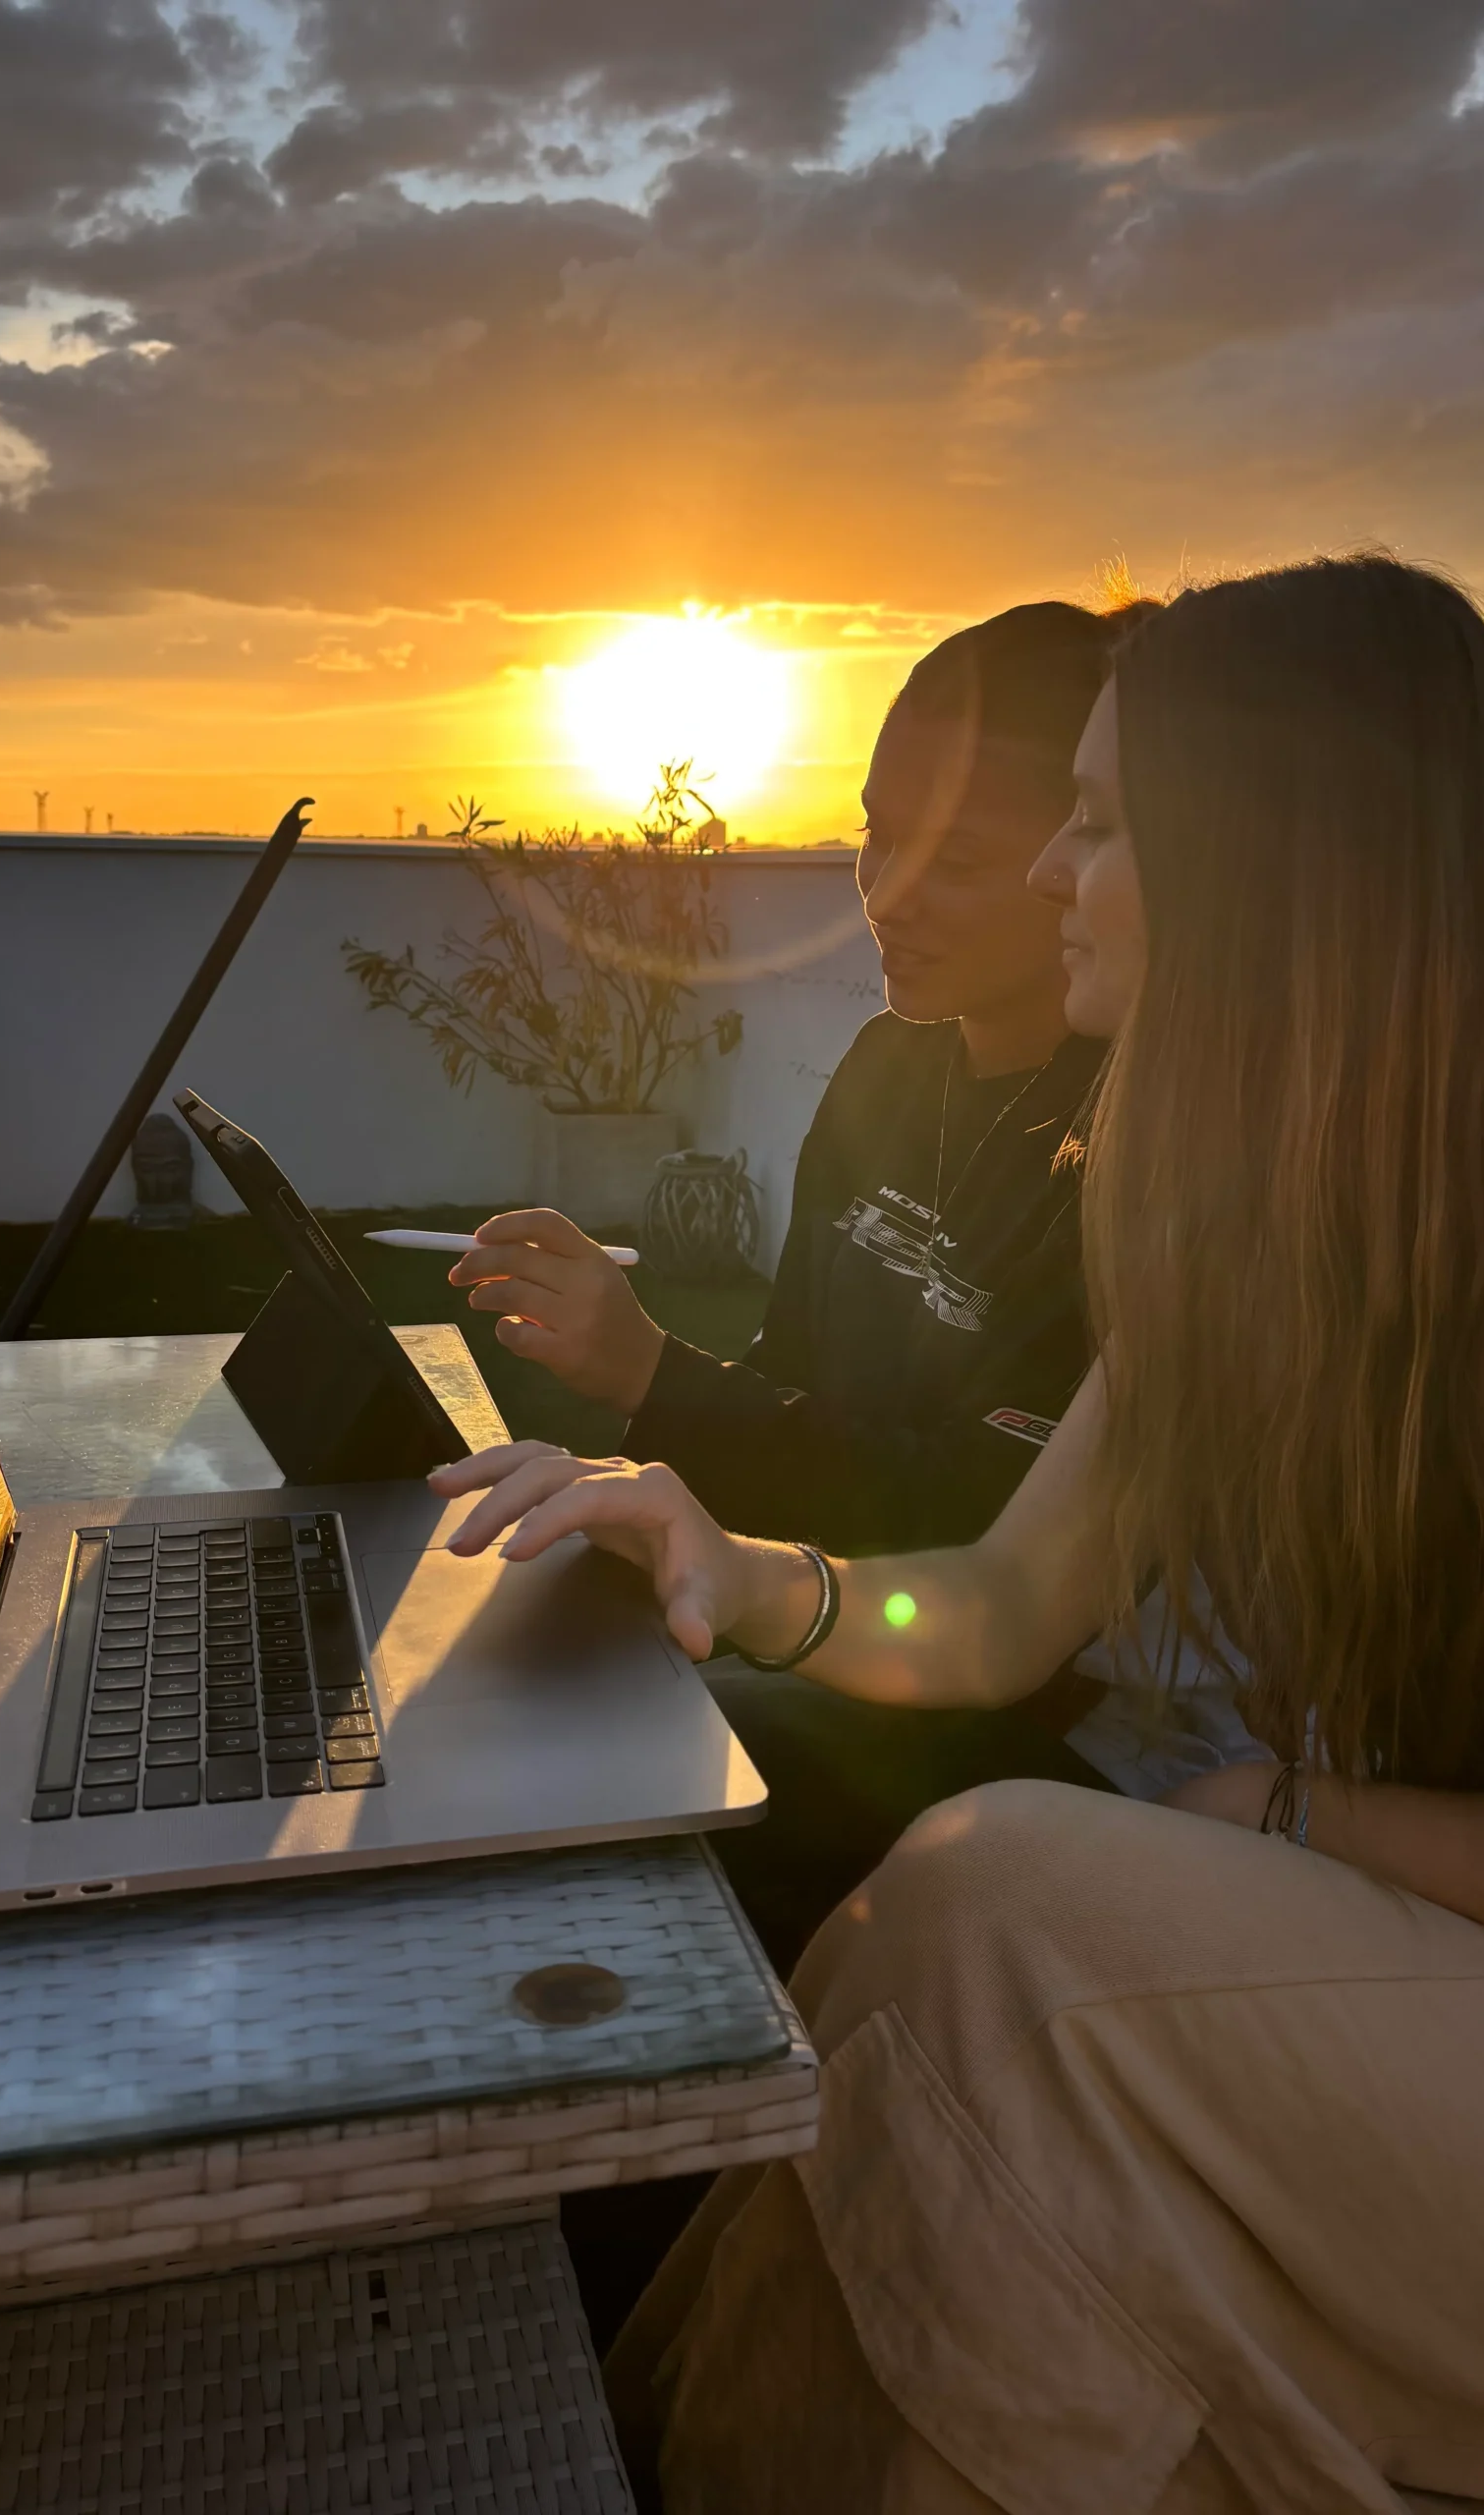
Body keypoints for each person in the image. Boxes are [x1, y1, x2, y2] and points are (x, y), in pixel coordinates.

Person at [432, 554, 1484, 2510]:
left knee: (1003, 1920)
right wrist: (742, 1574)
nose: (1056, 871)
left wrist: (1292, 1824)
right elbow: (996, 1606)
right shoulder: (1243, 1221)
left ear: (1274, 853)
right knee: (953, 1976)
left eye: (1098, 820)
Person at [451, 602, 1156, 1972]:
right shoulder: (891, 1072)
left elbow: (980, 1523)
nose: (885, 891)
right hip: (832, 1620)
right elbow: (794, 1384)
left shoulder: (1142, 1148)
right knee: (507, 1668)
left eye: (955, 858)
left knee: (612, 1803)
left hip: (1025, 1705)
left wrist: (657, 1379)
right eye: (875, 832)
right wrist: (642, 1464)